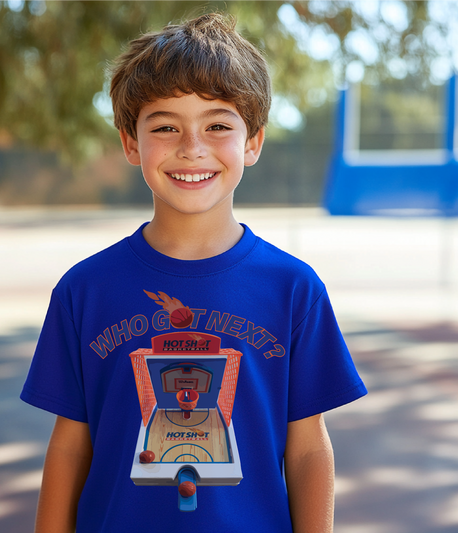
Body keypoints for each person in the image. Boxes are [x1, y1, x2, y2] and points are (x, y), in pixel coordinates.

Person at [21, 12, 367, 533]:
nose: (191, 147)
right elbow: (70, 447)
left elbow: (306, 449)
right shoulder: (84, 291)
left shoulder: (294, 290)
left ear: (252, 143)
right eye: (165, 126)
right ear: (131, 142)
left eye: (218, 125)